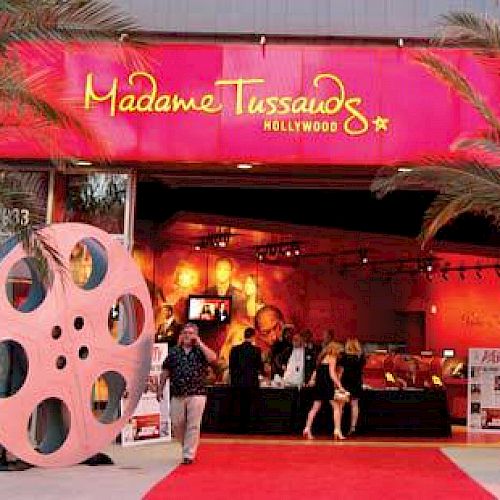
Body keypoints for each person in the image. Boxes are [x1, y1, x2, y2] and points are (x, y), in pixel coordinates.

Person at [157, 323, 217, 465]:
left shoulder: (200, 351)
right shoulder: (174, 352)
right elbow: (165, 371)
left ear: (196, 335)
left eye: (191, 333)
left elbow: (213, 358)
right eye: (185, 332)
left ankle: (188, 454)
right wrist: (160, 388)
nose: (187, 335)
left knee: (193, 425)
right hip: (177, 393)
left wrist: (200, 343)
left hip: (197, 393)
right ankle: (186, 446)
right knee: (177, 424)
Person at [303, 342, 348, 440]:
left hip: (319, 383)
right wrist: (340, 386)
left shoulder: (322, 358)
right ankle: (337, 430)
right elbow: (332, 373)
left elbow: (316, 372)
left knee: (315, 407)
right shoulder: (332, 357)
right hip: (327, 384)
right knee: (336, 407)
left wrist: (311, 380)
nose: (340, 354)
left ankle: (307, 428)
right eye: (339, 351)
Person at [229, 327, 264, 433]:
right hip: (251, 383)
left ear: (244, 335)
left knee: (237, 405)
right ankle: (248, 428)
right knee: (249, 406)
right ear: (253, 336)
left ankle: (236, 428)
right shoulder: (256, 350)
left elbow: (231, 367)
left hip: (237, 383)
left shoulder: (234, 349)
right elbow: (259, 367)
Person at [339, 338, 366, 435]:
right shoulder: (360, 357)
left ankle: (339, 426)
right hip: (357, 382)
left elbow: (341, 371)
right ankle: (353, 427)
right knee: (354, 405)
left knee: (340, 405)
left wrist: (338, 383)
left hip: (345, 382)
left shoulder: (344, 357)